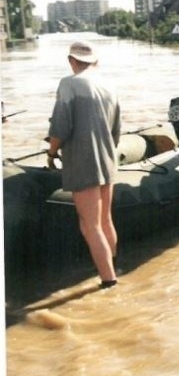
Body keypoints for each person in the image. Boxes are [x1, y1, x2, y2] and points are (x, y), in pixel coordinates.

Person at [46, 41, 122, 289]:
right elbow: (116, 129)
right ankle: (112, 265)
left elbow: (61, 126)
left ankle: (108, 281)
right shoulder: (110, 85)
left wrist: (52, 150)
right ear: (95, 60)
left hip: (82, 159)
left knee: (90, 223)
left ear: (72, 60)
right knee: (105, 219)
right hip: (107, 158)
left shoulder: (69, 83)